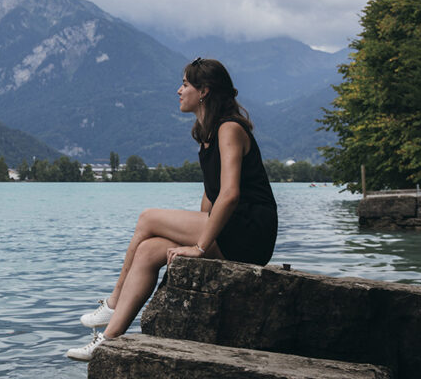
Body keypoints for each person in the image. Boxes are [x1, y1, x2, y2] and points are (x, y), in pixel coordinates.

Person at [67, 57, 277, 361]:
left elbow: (230, 195)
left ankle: (113, 301)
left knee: (147, 218)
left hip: (250, 230)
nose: (179, 91)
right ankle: (108, 340)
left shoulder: (229, 129)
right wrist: (192, 237)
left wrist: (199, 246)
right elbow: (210, 196)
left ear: (203, 91)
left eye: (185, 84)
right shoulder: (206, 134)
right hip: (231, 229)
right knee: (150, 249)